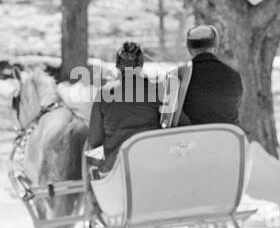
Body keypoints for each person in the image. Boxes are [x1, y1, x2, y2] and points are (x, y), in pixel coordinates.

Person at [87, 40, 162, 172]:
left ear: (117, 64)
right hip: (152, 163)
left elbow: (94, 140)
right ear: (141, 64)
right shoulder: (156, 91)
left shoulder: (104, 93)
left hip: (116, 167)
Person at [162, 23, 243, 128]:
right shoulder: (234, 76)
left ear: (189, 49)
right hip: (228, 139)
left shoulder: (176, 76)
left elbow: (166, 120)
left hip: (189, 141)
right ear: (215, 47)